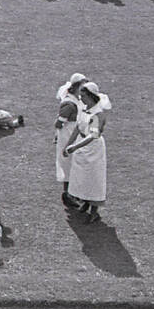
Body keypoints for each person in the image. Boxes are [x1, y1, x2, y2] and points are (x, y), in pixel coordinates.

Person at [64, 81, 110, 223]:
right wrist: (68, 144)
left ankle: (94, 212)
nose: (80, 98)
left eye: (83, 95)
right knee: (82, 177)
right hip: (81, 145)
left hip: (94, 150)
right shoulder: (83, 108)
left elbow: (93, 135)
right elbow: (78, 128)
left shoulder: (98, 114)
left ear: (91, 96)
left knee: (94, 179)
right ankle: (85, 202)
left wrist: (75, 147)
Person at [55, 73, 88, 206]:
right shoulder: (69, 104)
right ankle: (68, 194)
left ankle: (74, 193)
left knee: (77, 163)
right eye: (82, 86)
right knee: (68, 164)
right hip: (68, 136)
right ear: (75, 87)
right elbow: (58, 123)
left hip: (75, 134)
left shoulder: (78, 100)